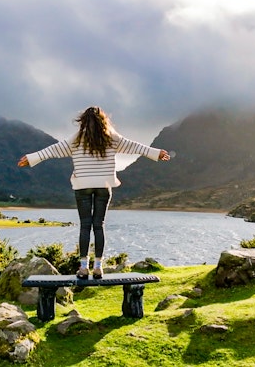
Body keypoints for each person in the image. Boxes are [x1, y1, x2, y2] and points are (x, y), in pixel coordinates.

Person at [18, 106, 171, 279]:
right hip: (103, 186)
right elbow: (133, 146)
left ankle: (83, 268)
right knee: (99, 225)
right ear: (103, 121)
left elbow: (53, 150)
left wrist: (31, 158)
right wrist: (156, 153)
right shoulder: (111, 138)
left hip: (82, 186)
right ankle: (98, 267)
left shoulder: (76, 140)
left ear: (83, 121)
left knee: (85, 226)